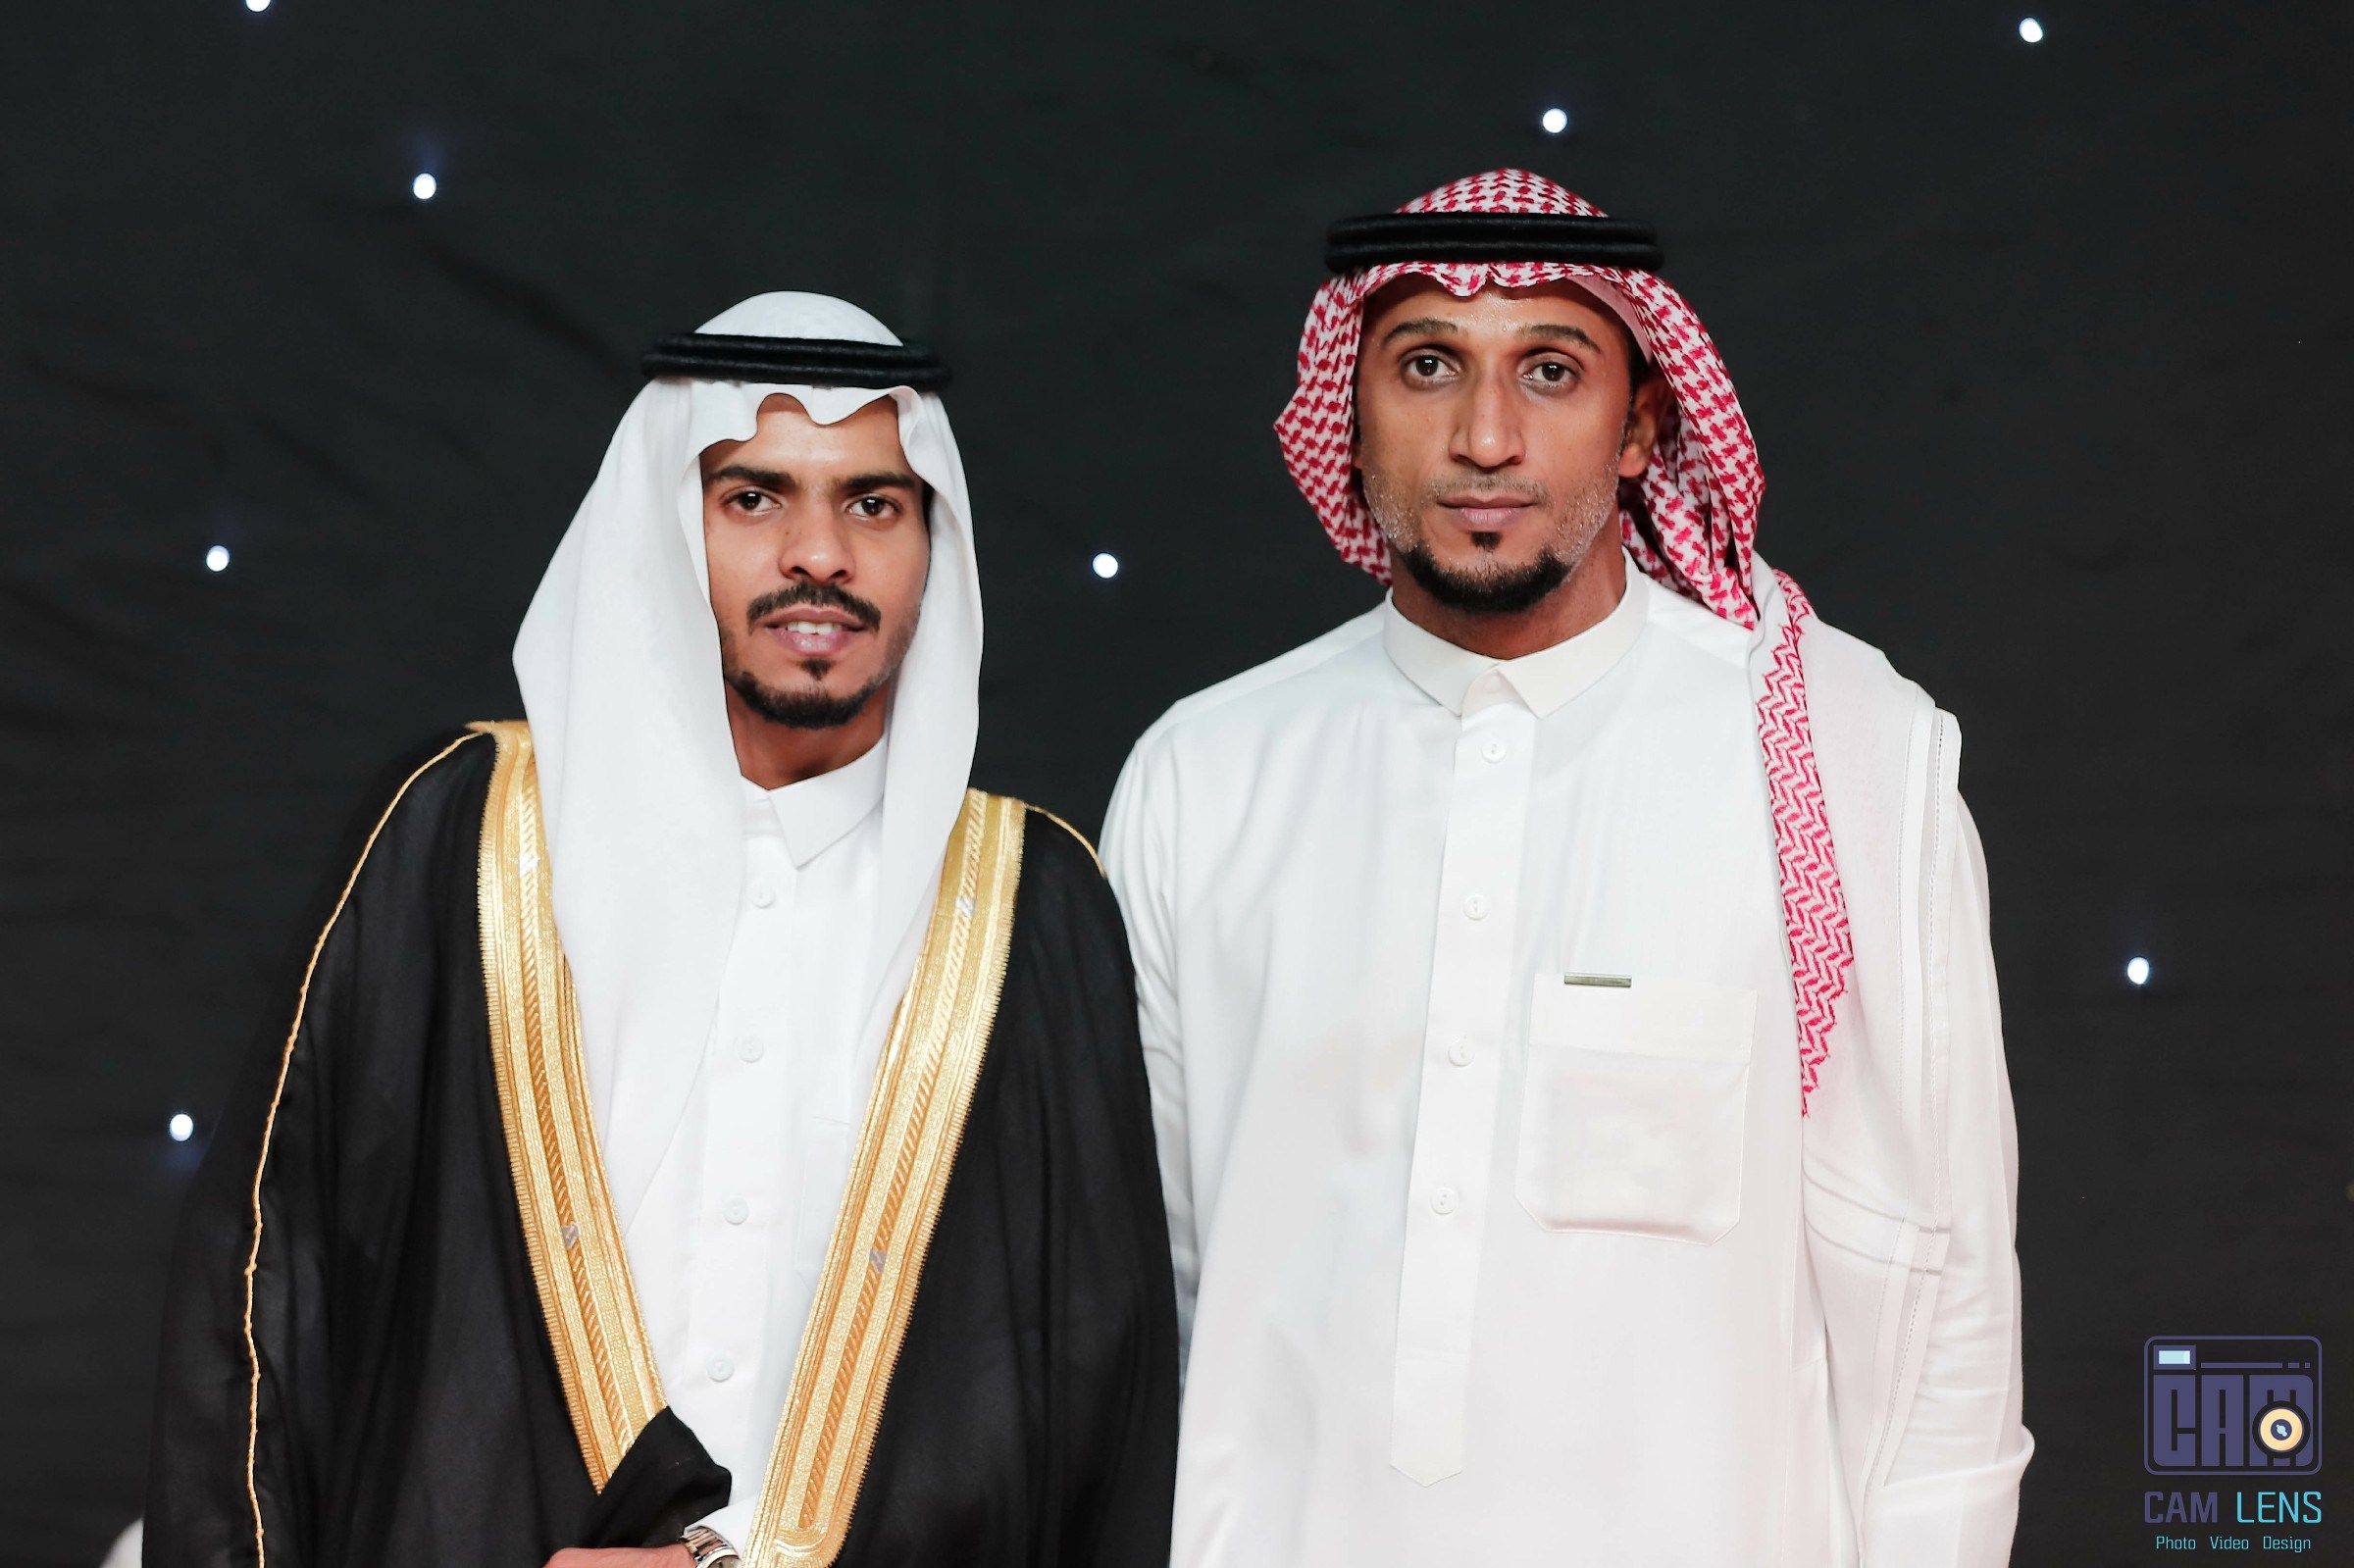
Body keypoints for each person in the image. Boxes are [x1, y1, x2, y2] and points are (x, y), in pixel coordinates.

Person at [146, 293, 1178, 1568]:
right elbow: (264, 1311)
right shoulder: (461, 834)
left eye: (872, 503)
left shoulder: (1034, 904)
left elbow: (1100, 1412)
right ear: (664, 525)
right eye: (753, 497)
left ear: (932, 544)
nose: (819, 554)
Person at [1103, 170, 2029, 1565]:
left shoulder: (1836, 758)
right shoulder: (1205, 775)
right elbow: (1147, 1296)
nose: (1486, 437)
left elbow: (1936, 1290)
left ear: (1645, 421)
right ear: (1350, 410)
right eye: (1428, 366)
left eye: (1550, 370)